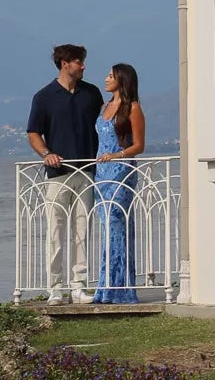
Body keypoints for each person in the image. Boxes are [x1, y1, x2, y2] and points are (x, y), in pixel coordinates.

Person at [26, 42, 102, 304]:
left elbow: (103, 125)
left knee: (83, 230)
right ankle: (55, 288)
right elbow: (33, 132)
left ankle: (79, 286)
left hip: (88, 170)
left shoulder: (91, 94)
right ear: (64, 63)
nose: (83, 66)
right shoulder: (44, 96)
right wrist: (46, 153)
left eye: (82, 61)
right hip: (58, 173)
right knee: (55, 232)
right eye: (79, 61)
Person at [92, 61, 146, 305]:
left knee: (117, 224)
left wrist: (116, 155)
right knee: (106, 228)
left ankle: (121, 288)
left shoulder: (132, 108)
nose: (106, 78)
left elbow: (139, 145)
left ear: (121, 80)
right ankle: (105, 288)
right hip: (102, 173)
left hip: (121, 171)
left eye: (110, 75)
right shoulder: (104, 106)